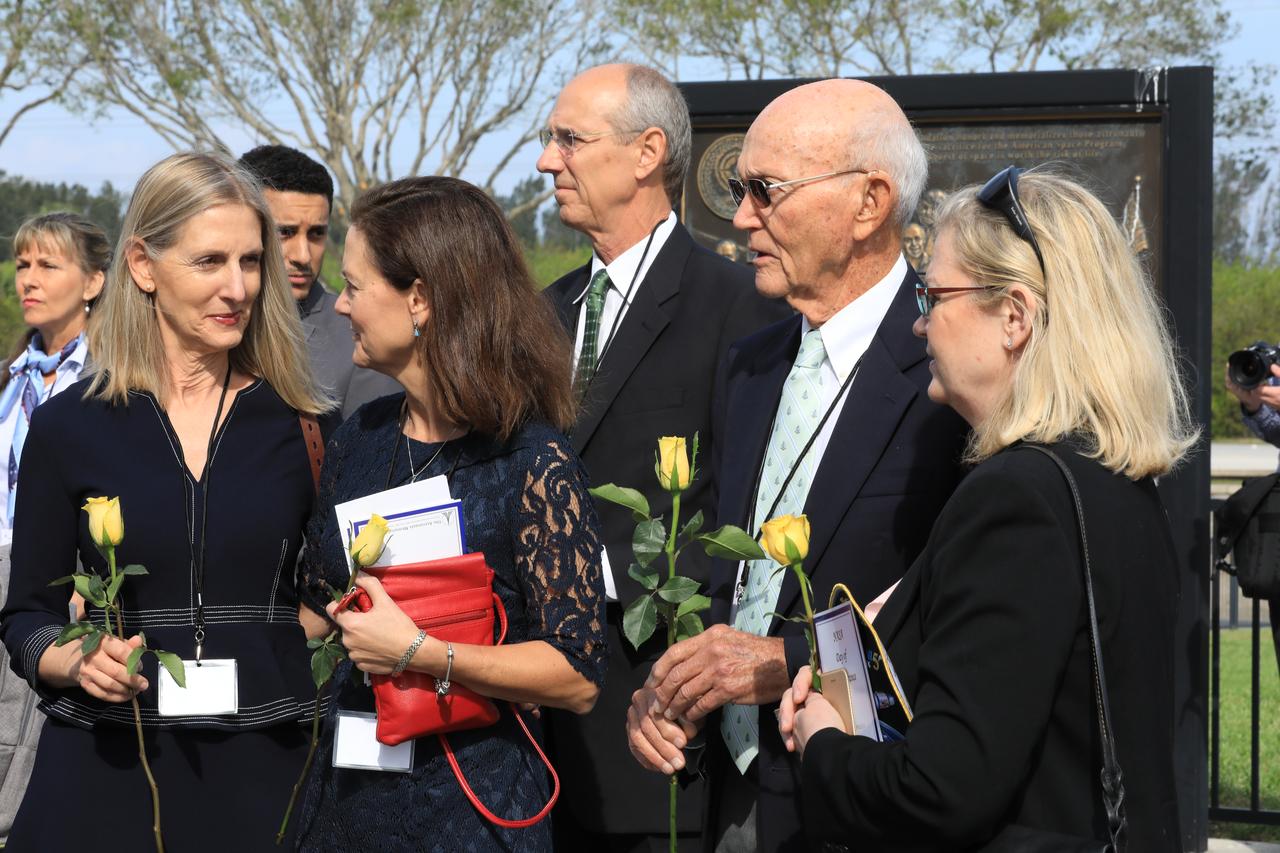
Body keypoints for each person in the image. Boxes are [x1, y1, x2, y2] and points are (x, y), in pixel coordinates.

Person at [778, 168, 1196, 851]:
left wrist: (822, 739)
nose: (919, 321)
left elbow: (941, 791)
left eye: (933, 294)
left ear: (1014, 317)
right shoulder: (1111, 476)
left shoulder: (1017, 496)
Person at [626, 78, 970, 853]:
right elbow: (727, 566)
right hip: (730, 794)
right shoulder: (749, 366)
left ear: (867, 203)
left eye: (764, 189)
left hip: (869, 805)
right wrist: (672, 687)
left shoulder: (951, 374)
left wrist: (786, 661)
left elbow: (956, 602)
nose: (741, 215)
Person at [0, 151, 333, 852]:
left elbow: (336, 597)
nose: (238, 287)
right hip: (103, 769)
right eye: (210, 261)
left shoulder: (304, 425)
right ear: (144, 266)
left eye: (250, 261)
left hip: (265, 773)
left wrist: (284, 636)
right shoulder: (68, 426)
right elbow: (26, 611)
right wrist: (75, 658)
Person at [293, 176, 607, 853]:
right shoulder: (360, 437)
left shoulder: (531, 460)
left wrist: (421, 653)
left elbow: (576, 674)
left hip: (474, 812)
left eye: (354, 285)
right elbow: (314, 607)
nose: (340, 304)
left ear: (420, 298)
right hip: (349, 800)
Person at [536, 62, 789, 853]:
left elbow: (744, 513)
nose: (548, 161)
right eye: (550, 141)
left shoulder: (739, 308)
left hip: (661, 737)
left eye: (569, 139)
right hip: (539, 749)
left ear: (647, 153)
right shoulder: (545, 314)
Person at [0, 212, 110, 844]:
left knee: (31, 735)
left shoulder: (112, 378)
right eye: (22, 265)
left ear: (94, 281)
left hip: (62, 586)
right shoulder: (10, 378)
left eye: (49, 265)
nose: (29, 280)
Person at [239, 145, 398, 420]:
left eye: (316, 234)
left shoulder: (358, 341)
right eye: (284, 232)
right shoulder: (201, 328)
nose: (303, 256)